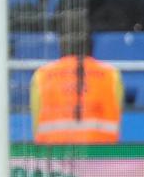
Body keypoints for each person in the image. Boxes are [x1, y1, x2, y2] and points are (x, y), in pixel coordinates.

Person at [30, 14, 123, 144]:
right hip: (101, 157)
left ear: (61, 42)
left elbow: (36, 127)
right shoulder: (111, 75)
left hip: (53, 158)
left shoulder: (41, 75)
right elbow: (117, 123)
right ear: (90, 41)